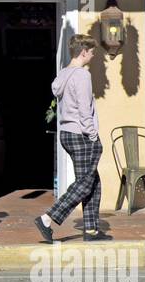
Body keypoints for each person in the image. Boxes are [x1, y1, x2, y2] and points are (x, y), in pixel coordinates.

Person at [35, 34, 110, 243]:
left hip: (67, 133)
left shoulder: (64, 74)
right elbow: (84, 110)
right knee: (85, 182)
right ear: (83, 51)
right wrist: (93, 135)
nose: (93, 56)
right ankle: (47, 218)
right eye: (92, 52)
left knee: (93, 181)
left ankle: (92, 230)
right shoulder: (81, 75)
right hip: (81, 134)